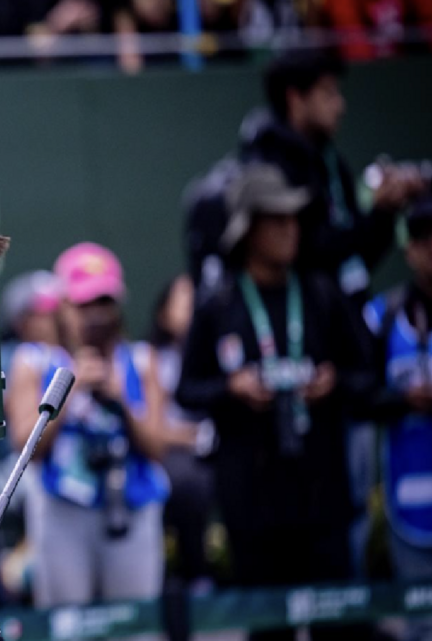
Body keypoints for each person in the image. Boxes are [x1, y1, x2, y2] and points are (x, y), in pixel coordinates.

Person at [177, 163, 376, 641]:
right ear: (248, 230)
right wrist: (232, 388)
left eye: (294, 218)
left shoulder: (321, 294)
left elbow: (368, 377)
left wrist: (334, 382)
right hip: (252, 502)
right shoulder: (218, 303)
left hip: (321, 494)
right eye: (277, 219)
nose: (291, 229)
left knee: (339, 624)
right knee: (268, 630)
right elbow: (187, 390)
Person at [8, 242, 172, 609]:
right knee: (67, 623)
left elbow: (158, 448)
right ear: (62, 306)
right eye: (84, 304)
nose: (95, 315)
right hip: (61, 510)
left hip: (131, 508)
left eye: (104, 302)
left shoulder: (141, 361)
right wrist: (70, 390)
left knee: (133, 622)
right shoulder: (34, 362)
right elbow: (25, 446)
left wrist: (121, 401)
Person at [239, 49, 425, 305]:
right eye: (328, 93)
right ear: (295, 98)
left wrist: (385, 211)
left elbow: (355, 257)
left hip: (347, 308)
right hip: (303, 316)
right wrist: (375, 215)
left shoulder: (332, 161)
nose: (340, 106)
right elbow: (314, 251)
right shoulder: (269, 169)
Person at [364, 193, 432, 641]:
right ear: (410, 249)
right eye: (425, 239)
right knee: (419, 622)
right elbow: (360, 397)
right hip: (409, 496)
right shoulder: (383, 316)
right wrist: (405, 400)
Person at [136, 274, 215, 590]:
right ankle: (191, 574)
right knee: (187, 484)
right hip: (171, 454)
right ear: (163, 313)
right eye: (183, 302)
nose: (192, 310)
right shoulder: (152, 358)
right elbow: (155, 429)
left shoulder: (217, 351)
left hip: (215, 451)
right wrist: (195, 436)